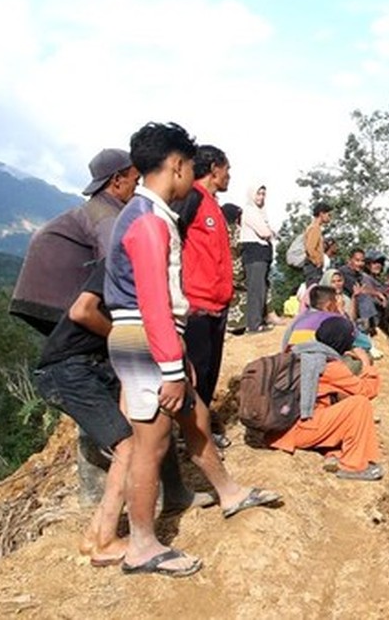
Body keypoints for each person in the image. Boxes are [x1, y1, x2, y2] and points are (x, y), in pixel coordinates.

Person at [106, 122, 280, 578]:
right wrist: (169, 366)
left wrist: (177, 357)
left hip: (155, 336)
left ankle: (229, 492)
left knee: (196, 415)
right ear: (178, 165)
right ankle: (142, 545)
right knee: (152, 442)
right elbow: (153, 301)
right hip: (144, 335)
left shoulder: (154, 214)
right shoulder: (147, 222)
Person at [32, 260, 206, 567]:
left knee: (134, 438)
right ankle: (105, 542)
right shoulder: (122, 260)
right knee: (127, 446)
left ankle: (95, 534)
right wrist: (122, 337)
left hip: (101, 364)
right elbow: (82, 311)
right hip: (71, 368)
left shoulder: (147, 269)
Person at [11, 148, 140, 335]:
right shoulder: (106, 215)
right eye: (136, 181)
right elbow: (117, 264)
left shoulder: (93, 209)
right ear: (117, 180)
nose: (137, 189)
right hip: (58, 306)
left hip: (34, 300)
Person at [267, 316, 384, 481]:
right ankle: (353, 467)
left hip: (278, 426)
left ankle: (333, 452)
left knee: (333, 406)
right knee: (359, 404)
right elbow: (366, 391)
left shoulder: (298, 351)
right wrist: (367, 365)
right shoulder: (329, 366)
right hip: (295, 431)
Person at [176, 145, 235, 448]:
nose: (229, 175)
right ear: (214, 168)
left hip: (218, 305)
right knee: (196, 373)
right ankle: (191, 436)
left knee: (210, 372)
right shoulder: (193, 197)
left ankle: (202, 431)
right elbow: (173, 238)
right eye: (227, 169)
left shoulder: (214, 205)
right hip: (197, 305)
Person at [239, 184, 275, 333]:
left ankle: (258, 321)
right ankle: (254, 324)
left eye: (263, 194)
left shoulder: (260, 212)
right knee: (256, 289)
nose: (260, 197)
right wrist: (270, 233)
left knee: (261, 289)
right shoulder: (250, 211)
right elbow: (264, 232)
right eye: (258, 194)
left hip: (261, 254)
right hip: (255, 254)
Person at [222, 203, 247, 335]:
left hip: (224, 268)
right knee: (243, 295)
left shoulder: (220, 229)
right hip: (238, 266)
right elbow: (241, 247)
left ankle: (230, 324)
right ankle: (241, 324)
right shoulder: (238, 230)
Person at [302, 202, 332, 287]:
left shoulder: (315, 227)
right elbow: (310, 248)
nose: (329, 218)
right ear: (321, 214)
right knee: (315, 293)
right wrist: (317, 262)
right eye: (328, 215)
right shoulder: (314, 228)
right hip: (313, 268)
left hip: (313, 267)